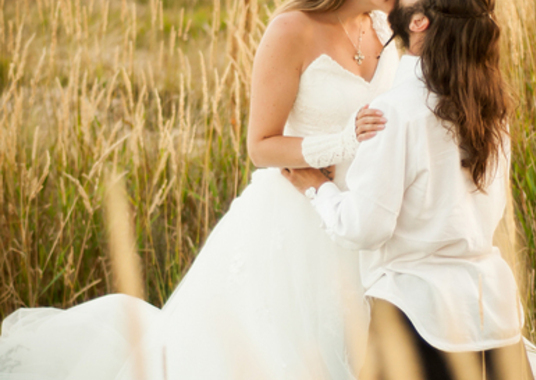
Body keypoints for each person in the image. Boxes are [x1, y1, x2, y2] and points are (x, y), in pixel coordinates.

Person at [0, 0, 400, 378]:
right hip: (295, 221)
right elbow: (260, 145)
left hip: (364, 220)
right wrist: (340, 144)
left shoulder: (385, 28)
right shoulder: (291, 30)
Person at [282, 0, 534, 378]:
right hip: (491, 314)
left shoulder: (395, 112)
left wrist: (319, 187)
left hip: (417, 318)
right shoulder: (491, 109)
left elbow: (364, 227)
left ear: (419, 21)